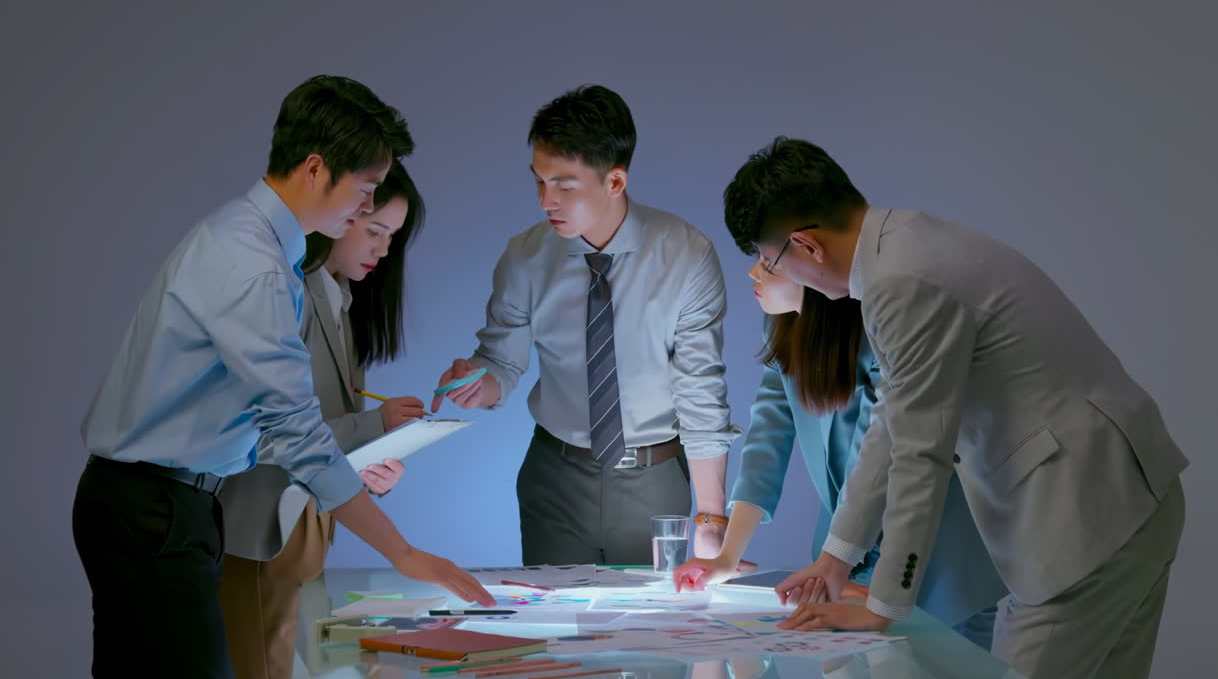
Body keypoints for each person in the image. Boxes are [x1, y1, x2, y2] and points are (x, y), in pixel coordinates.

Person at [721, 137, 1188, 678]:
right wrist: (835, 558)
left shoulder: (899, 283)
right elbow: (891, 426)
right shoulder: (906, 243)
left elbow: (921, 455)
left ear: (806, 246)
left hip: (1081, 518)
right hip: (1136, 493)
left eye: (769, 258)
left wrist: (882, 607)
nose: (766, 272)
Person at [73, 75, 492, 679]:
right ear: (316, 169)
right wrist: (402, 552)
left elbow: (262, 425)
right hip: (155, 508)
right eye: (366, 190)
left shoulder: (251, 242)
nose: (367, 210)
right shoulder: (253, 262)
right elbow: (295, 428)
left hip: (158, 502)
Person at [431, 85, 741, 565]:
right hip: (554, 479)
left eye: (563, 185)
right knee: (555, 634)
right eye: (538, 181)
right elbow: (500, 363)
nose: (544, 201)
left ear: (615, 182)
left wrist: (712, 518)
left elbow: (700, 387)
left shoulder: (686, 254)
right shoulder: (526, 255)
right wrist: (478, 383)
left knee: (660, 636)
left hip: (653, 481)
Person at [673, 262, 1004, 647]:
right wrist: (727, 556)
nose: (752, 272)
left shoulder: (881, 332)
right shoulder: (782, 325)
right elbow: (767, 439)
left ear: (808, 263)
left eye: (767, 262)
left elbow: (876, 462)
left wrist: (846, 572)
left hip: (937, 560)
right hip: (841, 557)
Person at [218, 161, 428, 678]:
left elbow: (326, 435)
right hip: (261, 530)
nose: (382, 249)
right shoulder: (288, 289)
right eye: (374, 230)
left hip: (307, 536)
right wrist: (372, 426)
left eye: (392, 237)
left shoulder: (342, 301)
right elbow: (266, 431)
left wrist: (372, 465)